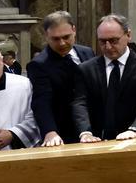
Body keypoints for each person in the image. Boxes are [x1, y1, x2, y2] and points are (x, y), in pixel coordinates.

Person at [72, 14, 136, 143]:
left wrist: (134, 129)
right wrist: (85, 132)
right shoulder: (86, 69)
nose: (108, 47)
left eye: (114, 40)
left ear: (128, 35)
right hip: (97, 141)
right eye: (102, 41)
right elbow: (80, 103)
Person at [26, 10, 96, 146]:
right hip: (64, 131)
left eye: (66, 37)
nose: (62, 43)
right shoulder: (39, 64)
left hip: (93, 126)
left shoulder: (87, 52)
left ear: (74, 30)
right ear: (46, 36)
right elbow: (41, 102)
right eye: (56, 39)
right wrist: (50, 131)